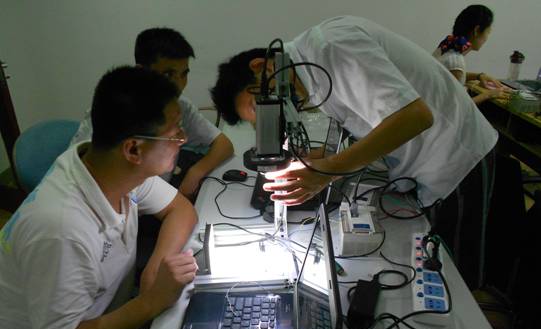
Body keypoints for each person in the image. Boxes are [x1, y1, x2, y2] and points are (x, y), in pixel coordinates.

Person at [211, 15, 498, 290]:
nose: (273, 117)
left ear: (261, 66)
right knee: (434, 263)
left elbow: (416, 116)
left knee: (456, 278)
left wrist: (327, 171)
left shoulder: (334, 47)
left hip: (458, 159)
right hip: (426, 166)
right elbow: (363, 126)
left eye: (260, 107)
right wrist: (320, 158)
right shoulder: (315, 73)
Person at [0, 66, 198, 329]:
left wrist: (155, 269)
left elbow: (181, 210)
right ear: (133, 149)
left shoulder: (106, 164)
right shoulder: (60, 228)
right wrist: (151, 301)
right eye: (174, 134)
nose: (183, 139)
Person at [72, 27, 234, 201]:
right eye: (168, 74)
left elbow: (223, 144)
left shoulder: (179, 105)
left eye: (183, 74)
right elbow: (90, 185)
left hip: (155, 199)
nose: (178, 85)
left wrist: (196, 172)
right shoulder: (111, 114)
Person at [432, 4, 510, 104]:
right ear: (476, 30)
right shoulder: (456, 62)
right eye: (488, 32)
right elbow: (458, 108)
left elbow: (448, 76)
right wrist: (488, 94)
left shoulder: (446, 46)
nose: (487, 38)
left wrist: (479, 76)